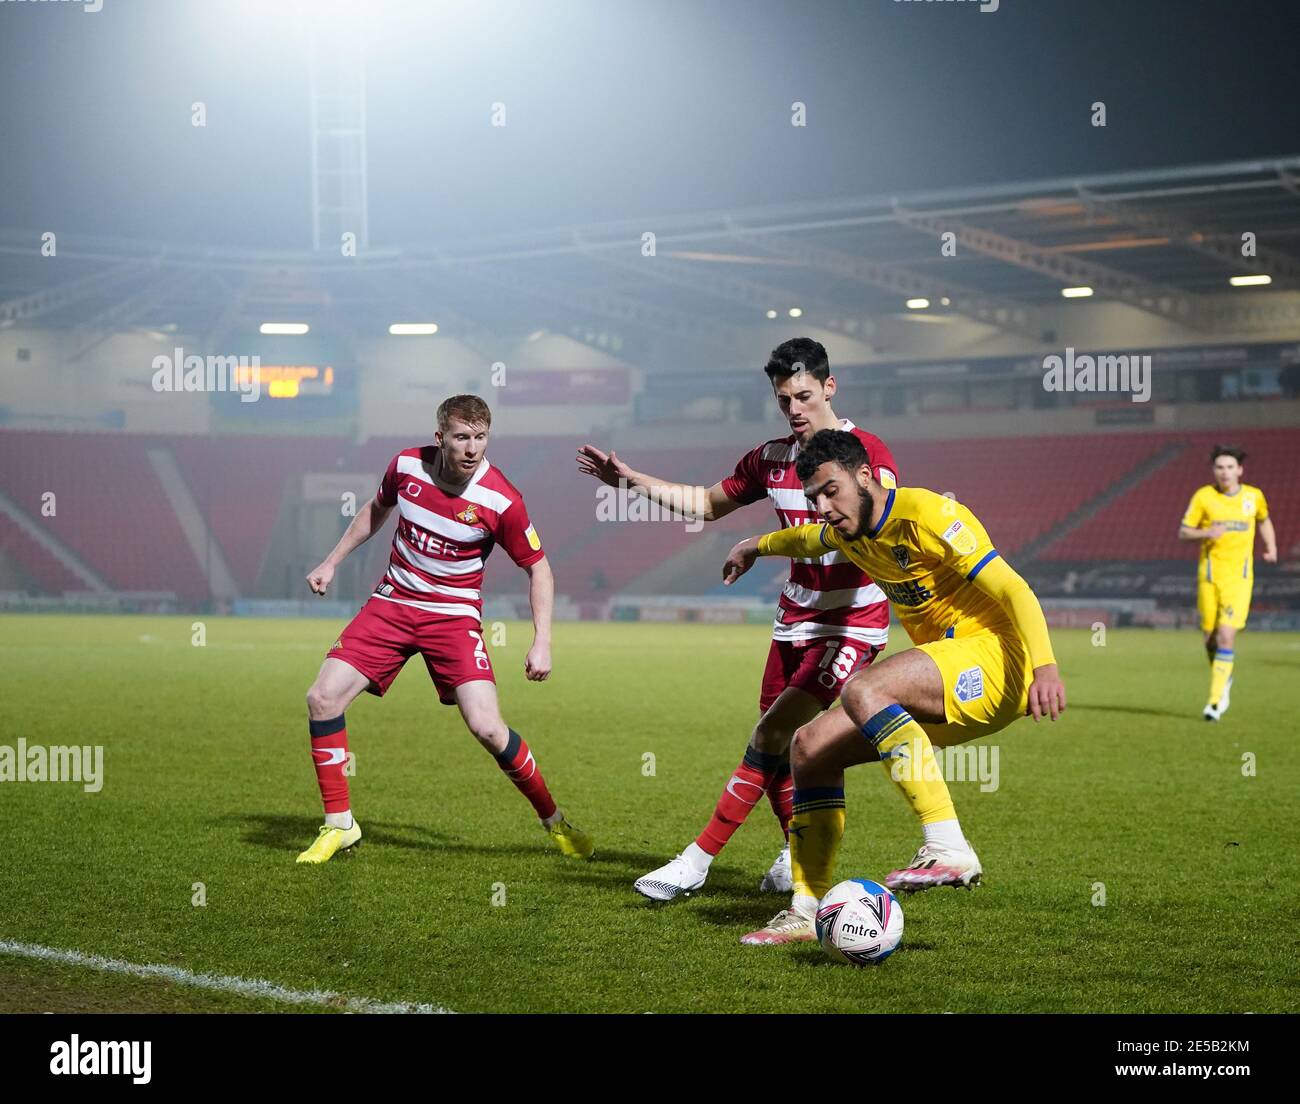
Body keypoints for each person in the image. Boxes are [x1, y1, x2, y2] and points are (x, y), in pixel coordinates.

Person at [577, 339, 897, 900]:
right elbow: (705, 504)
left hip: (851, 625)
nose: (794, 409)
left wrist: (761, 544)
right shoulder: (772, 459)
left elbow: (872, 526)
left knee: (771, 731)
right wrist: (630, 480)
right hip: (793, 621)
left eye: (803, 395)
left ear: (829, 387)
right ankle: (798, 855)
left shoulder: (864, 452)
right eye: (783, 400)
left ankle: (695, 862)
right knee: (779, 745)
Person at [721, 429, 1066, 945]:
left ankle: (947, 846)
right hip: (945, 677)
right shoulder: (847, 533)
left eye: (831, 491)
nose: (823, 507)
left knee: (862, 689)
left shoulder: (929, 515)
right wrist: (754, 546)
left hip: (998, 657)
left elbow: (1013, 588)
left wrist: (1045, 666)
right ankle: (804, 909)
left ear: (864, 476)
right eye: (814, 497)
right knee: (810, 747)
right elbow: (805, 540)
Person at [296, 394, 592, 864]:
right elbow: (376, 509)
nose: (472, 448)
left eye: (480, 437)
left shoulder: (502, 499)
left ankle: (555, 822)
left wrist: (542, 642)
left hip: (453, 618)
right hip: (393, 604)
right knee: (322, 698)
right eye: (461, 437)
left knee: (489, 729)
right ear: (440, 438)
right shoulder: (406, 466)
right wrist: (331, 562)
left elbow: (540, 569)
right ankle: (340, 825)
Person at [1178, 445, 1277, 721]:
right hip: (1209, 576)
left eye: (1230, 467)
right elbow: (1183, 532)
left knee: (1225, 635)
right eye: (1220, 467)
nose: (1225, 472)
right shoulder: (1204, 497)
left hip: (1239, 578)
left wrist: (1271, 547)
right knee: (1210, 639)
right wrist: (1207, 531)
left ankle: (1214, 701)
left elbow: (1265, 521)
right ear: (1214, 471)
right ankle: (1225, 678)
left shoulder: (1253, 497)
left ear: (1240, 470)